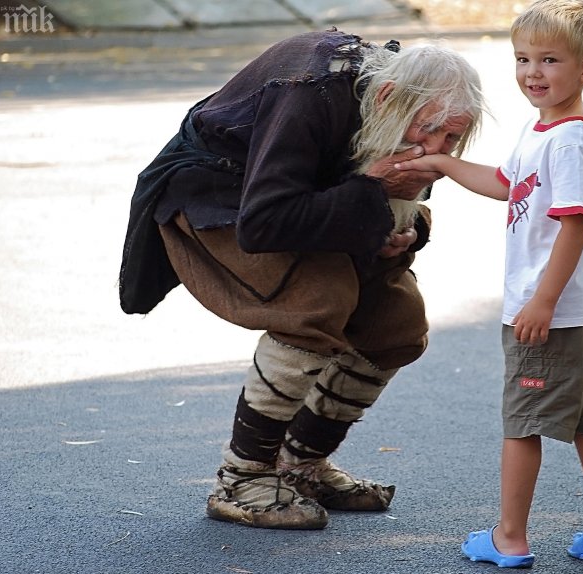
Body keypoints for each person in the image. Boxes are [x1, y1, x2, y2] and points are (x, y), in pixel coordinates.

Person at [118, 29, 486, 530]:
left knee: (396, 323)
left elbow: (383, 191)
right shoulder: (309, 90)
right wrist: (371, 197)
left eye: (451, 138)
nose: (436, 151)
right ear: (387, 98)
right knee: (316, 300)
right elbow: (265, 221)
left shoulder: (396, 105)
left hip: (303, 200)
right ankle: (242, 479)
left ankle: (301, 467)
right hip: (220, 196)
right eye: (430, 131)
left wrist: (406, 228)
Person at [396, 0, 583, 567]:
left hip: (550, 313)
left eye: (550, 60)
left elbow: (575, 223)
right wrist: (442, 166)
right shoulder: (543, 127)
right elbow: (507, 183)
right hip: (576, 310)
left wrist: (542, 301)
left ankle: (510, 537)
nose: (532, 71)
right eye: (523, 58)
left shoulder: (570, 142)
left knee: (521, 426)